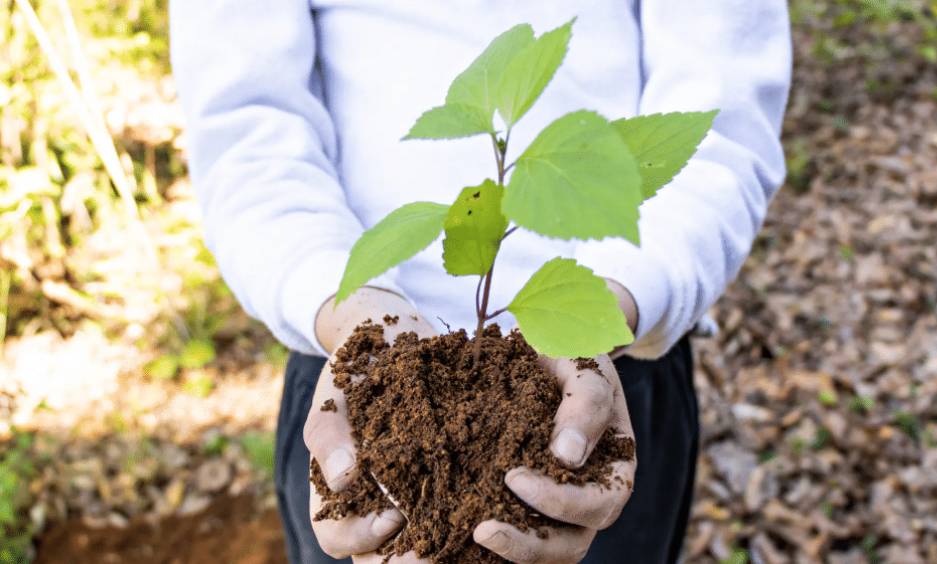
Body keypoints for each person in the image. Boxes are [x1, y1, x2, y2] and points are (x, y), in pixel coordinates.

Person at [170, 2, 791, 562]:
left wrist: (623, 289)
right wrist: (351, 307)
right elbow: (245, 127)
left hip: (608, 365)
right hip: (356, 377)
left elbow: (722, 112)